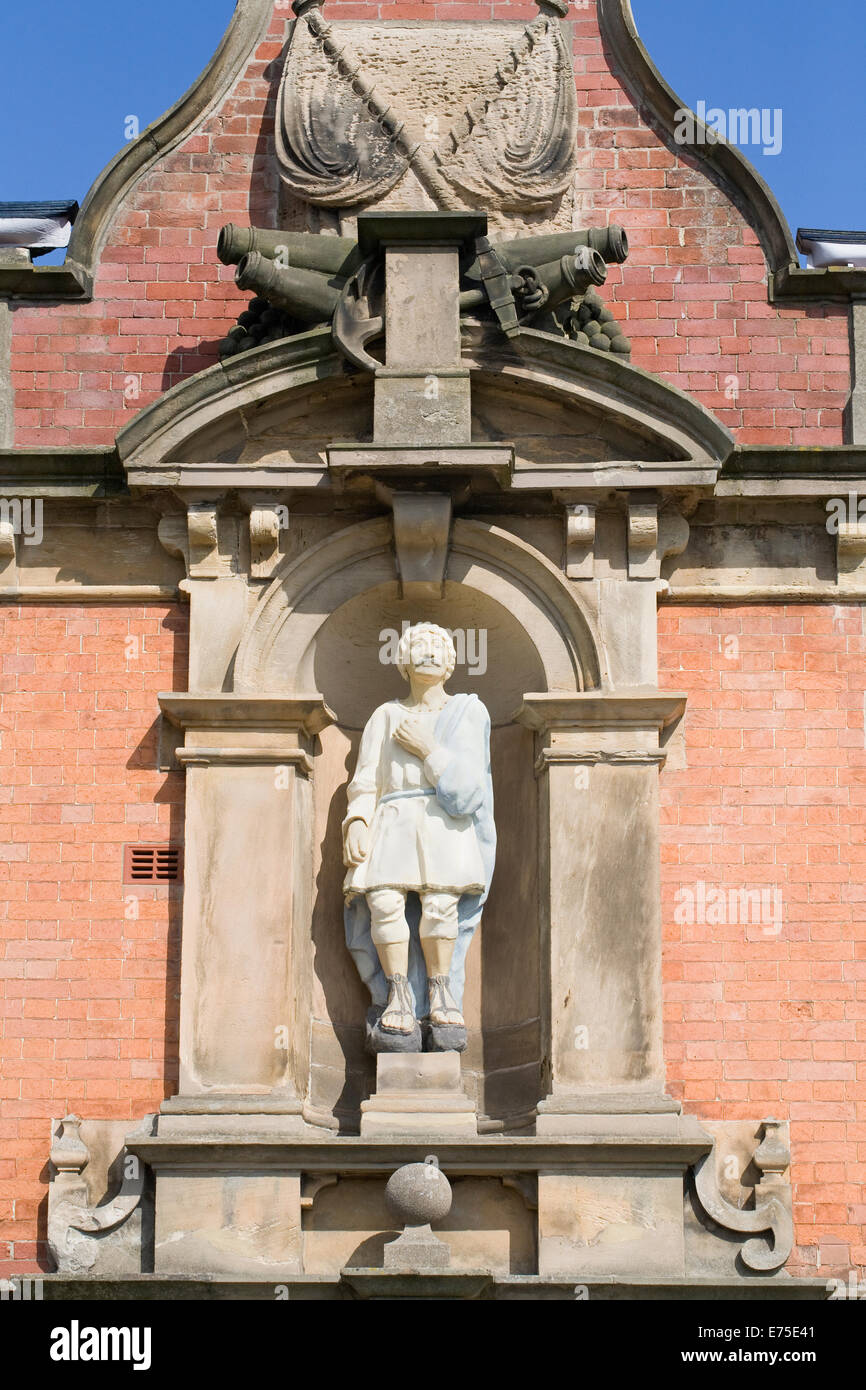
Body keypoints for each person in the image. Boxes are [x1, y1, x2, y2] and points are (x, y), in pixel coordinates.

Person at [342, 622, 495, 1038]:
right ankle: (397, 994)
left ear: (450, 664)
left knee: (441, 906)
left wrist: (428, 747)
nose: (428, 653)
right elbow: (366, 779)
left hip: (444, 822)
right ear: (403, 661)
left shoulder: (467, 711)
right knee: (384, 903)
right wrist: (357, 820)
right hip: (392, 818)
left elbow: (468, 790)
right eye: (419, 647)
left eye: (438, 648)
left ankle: (440, 990)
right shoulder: (385, 715)